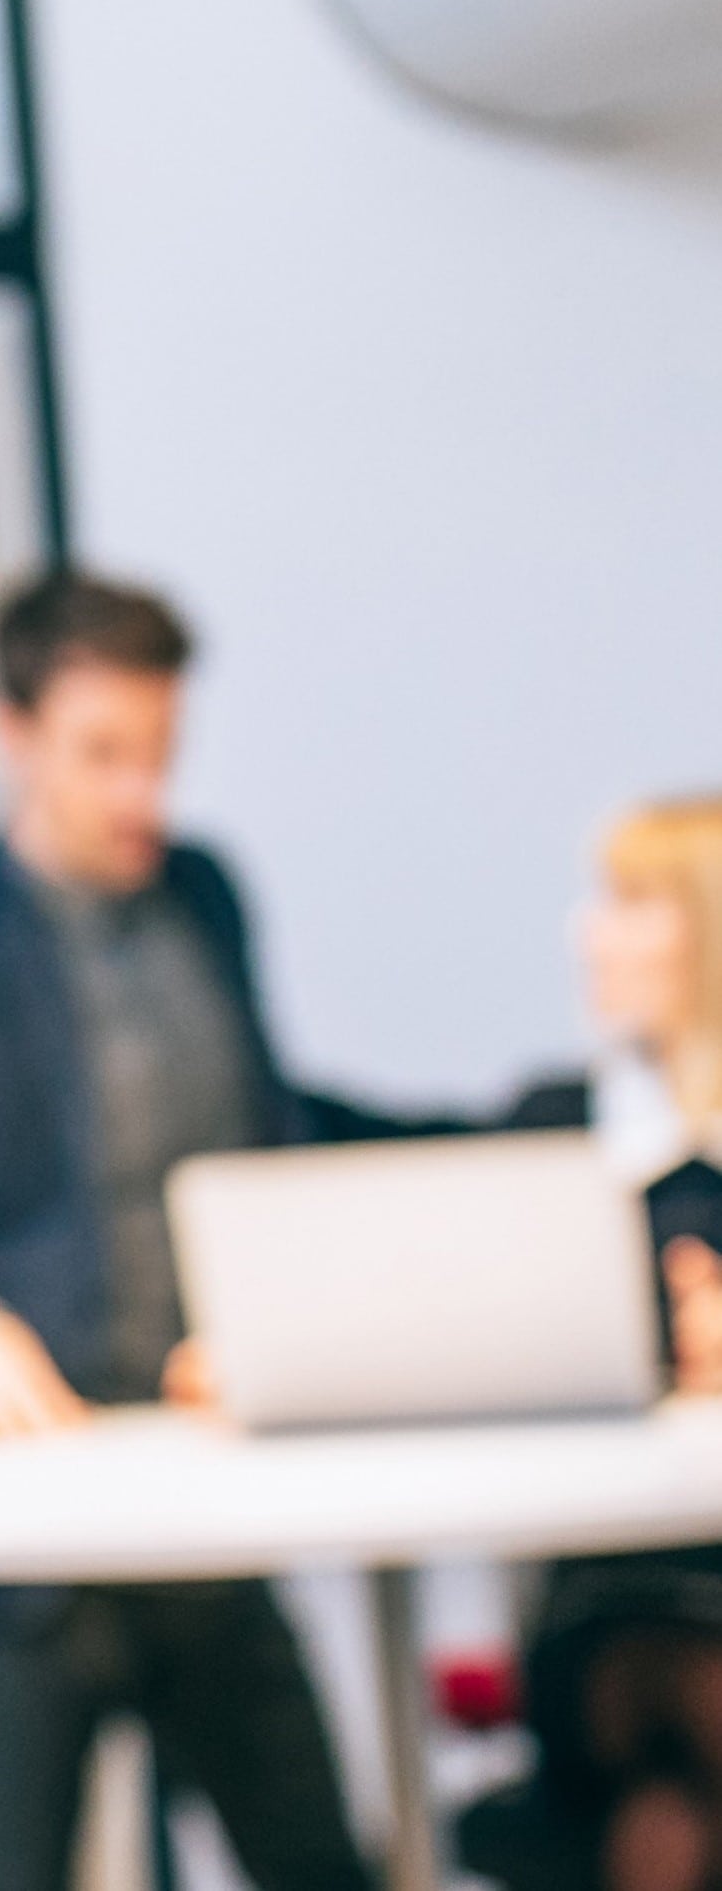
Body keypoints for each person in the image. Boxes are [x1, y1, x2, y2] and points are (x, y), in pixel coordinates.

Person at [0, 572, 372, 1891]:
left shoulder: (206, 898)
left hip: (211, 1507)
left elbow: (269, 1133)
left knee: (318, 1862)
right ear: (10, 735)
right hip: (30, 1556)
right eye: (104, 754)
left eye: (161, 753)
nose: (143, 796)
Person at [456, 796, 722, 1891]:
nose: (588, 933)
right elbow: (456, 1314)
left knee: (675, 1807)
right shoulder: (556, 1125)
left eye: (628, 904)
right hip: (613, 1592)